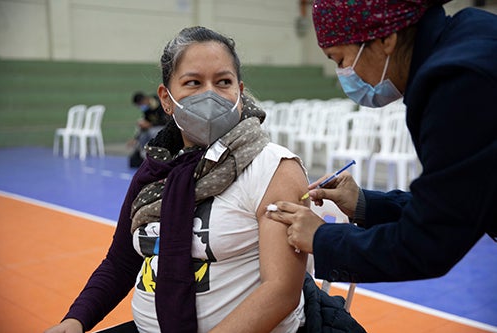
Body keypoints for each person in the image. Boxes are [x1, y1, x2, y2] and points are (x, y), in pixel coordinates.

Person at [45, 26, 310, 333]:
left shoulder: (274, 167)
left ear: (239, 91)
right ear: (166, 99)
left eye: (223, 82)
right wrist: (76, 320)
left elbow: (281, 292)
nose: (210, 94)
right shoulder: (156, 171)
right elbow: (120, 263)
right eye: (193, 83)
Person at [267, 0, 497, 284]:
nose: (344, 76)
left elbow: (429, 242)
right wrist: (364, 204)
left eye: (341, 60)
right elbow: (456, 200)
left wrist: (322, 237)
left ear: (386, 39)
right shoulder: (469, 38)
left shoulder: (460, 82)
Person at [129, 92, 171, 167]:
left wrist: (150, 124)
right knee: (142, 135)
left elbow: (166, 121)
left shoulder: (161, 103)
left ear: (144, 100)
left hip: (164, 127)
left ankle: (158, 155)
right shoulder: (147, 109)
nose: (140, 107)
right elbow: (146, 121)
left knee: (152, 132)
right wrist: (136, 138)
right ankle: (144, 156)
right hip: (152, 127)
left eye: (140, 105)